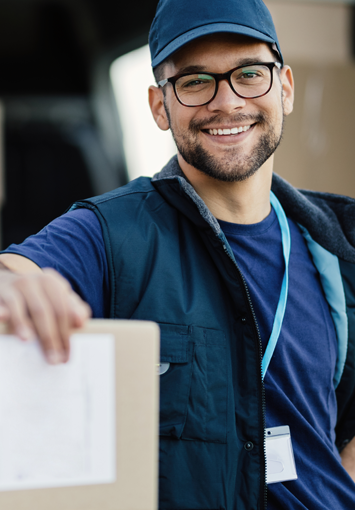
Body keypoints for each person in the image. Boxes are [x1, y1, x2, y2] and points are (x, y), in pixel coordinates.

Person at [0, 0, 355, 507]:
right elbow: (9, 272)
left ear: (285, 88)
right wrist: (15, 286)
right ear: (159, 106)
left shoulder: (339, 241)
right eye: (194, 81)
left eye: (249, 73)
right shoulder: (110, 232)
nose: (227, 102)